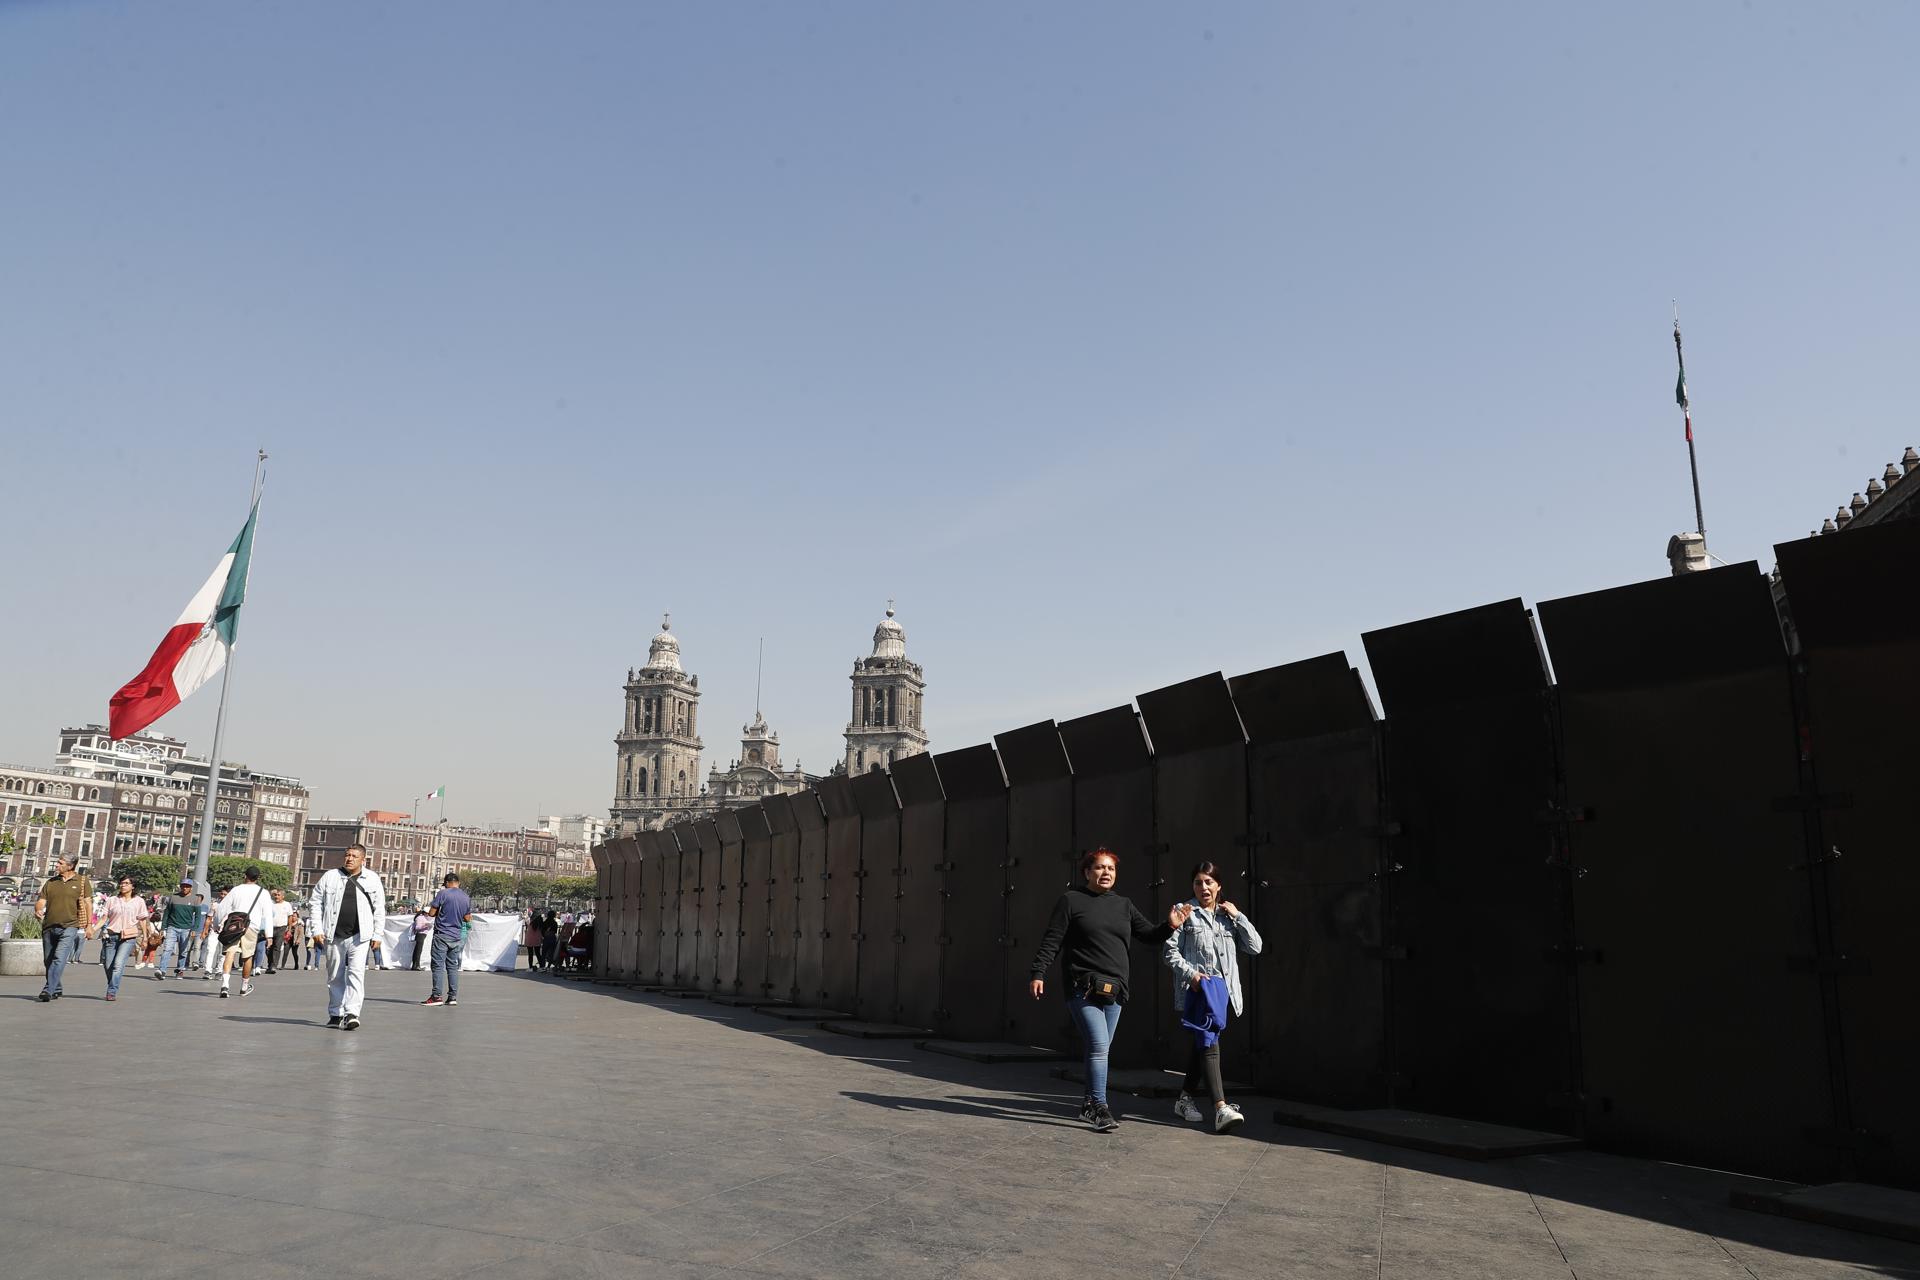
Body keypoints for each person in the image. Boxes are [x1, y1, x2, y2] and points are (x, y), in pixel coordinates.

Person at [1028, 847, 1180, 1133]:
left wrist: (1169, 926)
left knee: (1100, 1049)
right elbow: (1052, 940)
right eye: (1099, 867)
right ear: (1087, 872)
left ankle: (1088, 1104)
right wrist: (1038, 972)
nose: (1106, 872)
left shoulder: (1123, 905)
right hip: (1082, 987)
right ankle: (1098, 1106)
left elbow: (1148, 934)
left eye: (1111, 868)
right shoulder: (1071, 901)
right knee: (1099, 1046)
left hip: (1115, 990)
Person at [1163, 861, 1264, 1134]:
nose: (1203, 887)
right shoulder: (1184, 913)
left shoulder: (1227, 916)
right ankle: (1220, 1108)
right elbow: (1169, 953)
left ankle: (1184, 1099)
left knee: (1202, 1044)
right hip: (1199, 990)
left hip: (1223, 991)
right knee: (1209, 1042)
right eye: (1198, 882)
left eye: (1209, 882)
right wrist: (1192, 976)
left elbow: (1255, 947)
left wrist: (1238, 916)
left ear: (1218, 885)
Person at [308, 842, 387, 1030]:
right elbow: (315, 903)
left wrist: (378, 934)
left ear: (363, 860)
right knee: (335, 975)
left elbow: (379, 909)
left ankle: (352, 1013)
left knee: (356, 974)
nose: (349, 859)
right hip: (333, 934)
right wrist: (316, 930)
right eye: (347, 855)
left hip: (360, 936)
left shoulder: (372, 879)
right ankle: (336, 1013)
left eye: (354, 856)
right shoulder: (330, 877)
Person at [33, 854, 96, 1001]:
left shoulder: (82, 881)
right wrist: (38, 910)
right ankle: (57, 987)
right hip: (48, 925)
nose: (56, 865)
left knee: (59, 958)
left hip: (70, 926)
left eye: (60, 863)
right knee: (48, 961)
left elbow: (88, 903)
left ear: (70, 866)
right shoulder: (51, 882)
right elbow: (41, 901)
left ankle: (48, 990)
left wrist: (89, 926)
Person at [212, 868, 274, 998]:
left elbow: (222, 907)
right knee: (248, 956)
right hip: (252, 926)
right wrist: (269, 935)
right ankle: (244, 987)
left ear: (245, 875)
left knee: (230, 953)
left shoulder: (236, 890)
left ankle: (225, 985)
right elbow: (268, 915)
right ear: (258, 877)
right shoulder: (263, 893)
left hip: (234, 924)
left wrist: (217, 924)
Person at [97, 875, 153, 1001]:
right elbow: (104, 918)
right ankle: (113, 983)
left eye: (126, 883)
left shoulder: (139, 901)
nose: (123, 885)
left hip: (128, 937)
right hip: (111, 935)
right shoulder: (112, 900)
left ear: (133, 886)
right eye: (122, 883)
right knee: (108, 965)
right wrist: (92, 930)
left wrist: (145, 937)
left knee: (118, 965)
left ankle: (111, 991)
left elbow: (143, 920)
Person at [422, 872, 472, 1007]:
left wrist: (441, 913)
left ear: (447, 883)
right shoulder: (465, 897)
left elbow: (432, 913)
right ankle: (452, 997)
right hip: (456, 936)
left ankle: (437, 996)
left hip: (442, 934)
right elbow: (468, 918)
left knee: (438, 966)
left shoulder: (443, 894)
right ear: (458, 882)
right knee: (452, 966)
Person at [155, 879, 199, 979]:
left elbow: (197, 916)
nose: (185, 888)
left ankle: (180, 970)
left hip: (186, 929)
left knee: (183, 951)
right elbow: (167, 913)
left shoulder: (195, 899)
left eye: (187, 886)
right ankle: (162, 970)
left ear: (191, 888)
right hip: (172, 927)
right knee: (167, 949)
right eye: (183, 886)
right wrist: (163, 927)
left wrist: (194, 929)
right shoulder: (173, 897)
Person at [265, 888, 295, 974]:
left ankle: (274, 966)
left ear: (283, 896)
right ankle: (269, 964)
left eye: (278, 895)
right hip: (270, 928)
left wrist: (289, 929)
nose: (276, 897)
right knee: (268, 948)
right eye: (275, 895)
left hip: (281, 928)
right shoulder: (271, 904)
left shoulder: (287, 905)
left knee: (277, 947)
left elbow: (290, 917)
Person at [409, 904, 433, 971]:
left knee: (417, 950)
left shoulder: (422, 917)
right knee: (418, 951)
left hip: (421, 935)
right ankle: (417, 965)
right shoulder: (420, 918)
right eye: (428, 913)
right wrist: (426, 926)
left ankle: (415, 965)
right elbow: (417, 927)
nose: (428, 915)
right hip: (420, 935)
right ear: (425, 913)